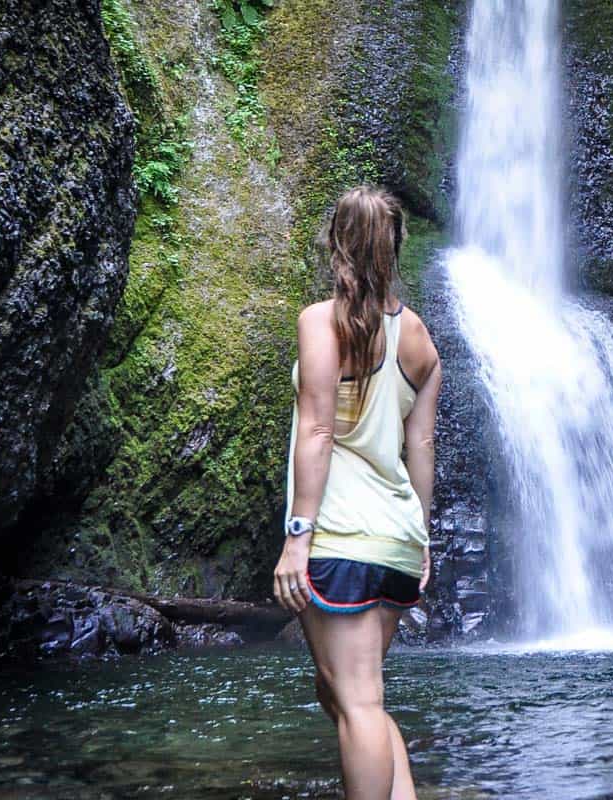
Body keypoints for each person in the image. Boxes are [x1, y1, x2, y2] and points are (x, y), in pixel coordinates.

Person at [274, 185, 441, 800]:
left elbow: (318, 431)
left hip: (339, 536)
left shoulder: (320, 323)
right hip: (395, 538)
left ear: (336, 243)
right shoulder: (420, 339)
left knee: (359, 699)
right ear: (394, 247)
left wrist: (298, 536)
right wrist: (420, 537)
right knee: (344, 691)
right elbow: (420, 449)